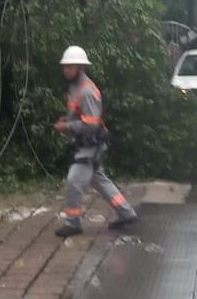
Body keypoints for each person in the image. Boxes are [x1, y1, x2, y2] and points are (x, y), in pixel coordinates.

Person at [54, 45, 137, 238]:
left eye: (70, 67)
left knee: (74, 181)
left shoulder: (87, 90)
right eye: (65, 66)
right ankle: (126, 213)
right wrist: (68, 120)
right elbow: (81, 115)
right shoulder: (75, 87)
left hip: (90, 144)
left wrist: (66, 127)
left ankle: (73, 223)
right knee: (98, 179)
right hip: (87, 143)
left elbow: (91, 124)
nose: (66, 70)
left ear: (80, 68)